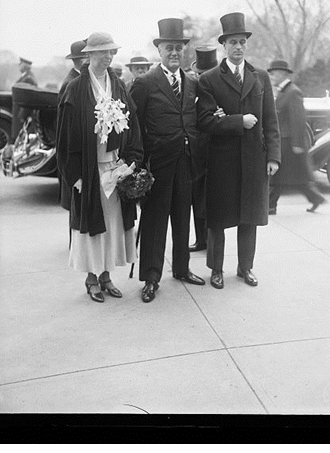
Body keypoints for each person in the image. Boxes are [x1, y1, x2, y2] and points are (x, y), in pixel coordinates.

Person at [56, 32, 143, 303]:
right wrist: (75, 176)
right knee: (93, 225)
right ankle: (91, 279)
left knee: (112, 223)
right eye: (103, 52)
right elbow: (65, 138)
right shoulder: (76, 88)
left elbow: (133, 122)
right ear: (89, 55)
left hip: (114, 166)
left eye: (111, 52)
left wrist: (132, 160)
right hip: (89, 169)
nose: (108, 57)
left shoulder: (116, 84)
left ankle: (106, 276)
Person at [197, 12, 281, 290]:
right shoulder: (209, 79)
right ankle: (216, 270)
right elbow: (205, 121)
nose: (238, 47)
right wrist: (238, 121)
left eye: (242, 42)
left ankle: (246, 267)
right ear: (224, 45)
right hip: (222, 160)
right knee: (219, 218)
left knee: (249, 217)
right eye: (232, 42)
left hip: (254, 159)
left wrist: (273, 157)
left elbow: (270, 119)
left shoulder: (261, 77)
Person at [130, 17, 205, 303]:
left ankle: (182, 269)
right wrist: (139, 164)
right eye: (168, 48)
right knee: (154, 220)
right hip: (157, 165)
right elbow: (135, 126)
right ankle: (151, 277)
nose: (174, 53)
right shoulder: (145, 83)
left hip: (186, 161)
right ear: (159, 51)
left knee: (182, 217)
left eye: (178, 48)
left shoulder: (191, 82)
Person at [267, 59, 326, 214]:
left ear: (282, 74)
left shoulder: (293, 92)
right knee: (293, 177)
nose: (271, 77)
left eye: (273, 74)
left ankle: (270, 206)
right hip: (284, 141)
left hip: (289, 143)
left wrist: (298, 144)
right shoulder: (285, 91)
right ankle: (314, 198)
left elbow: (298, 119)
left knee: (283, 175)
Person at [188, 47, 219, 253]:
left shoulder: (219, 89)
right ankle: (200, 239)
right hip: (194, 150)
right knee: (196, 196)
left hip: (215, 149)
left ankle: (211, 240)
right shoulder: (190, 90)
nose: (201, 77)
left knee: (212, 198)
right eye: (199, 74)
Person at [56, 40, 88, 212]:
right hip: (73, 155)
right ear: (82, 60)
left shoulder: (77, 79)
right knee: (76, 211)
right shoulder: (71, 84)